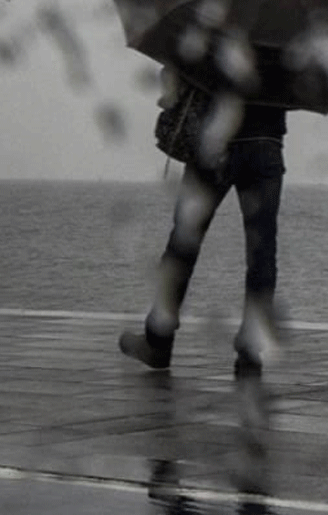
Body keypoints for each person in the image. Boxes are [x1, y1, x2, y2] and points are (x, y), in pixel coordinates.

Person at [119, 69, 288, 376]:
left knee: (184, 242)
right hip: (266, 143)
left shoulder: (217, 22)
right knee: (262, 250)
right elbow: (296, 88)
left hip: (215, 141)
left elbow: (180, 71)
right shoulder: (291, 28)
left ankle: (159, 340)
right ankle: (251, 349)